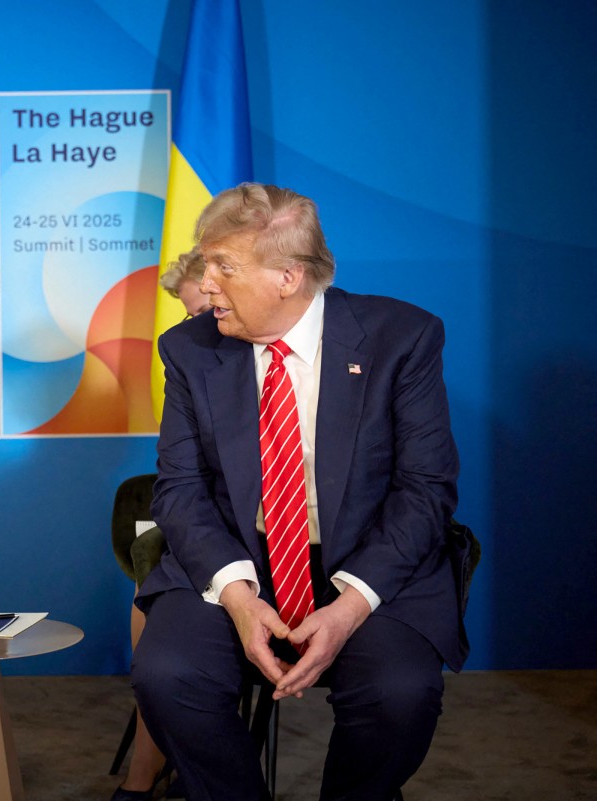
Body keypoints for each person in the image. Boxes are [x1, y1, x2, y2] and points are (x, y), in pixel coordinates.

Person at [132, 183, 467, 801]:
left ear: (288, 276)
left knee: (400, 692)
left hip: (367, 563)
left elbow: (425, 490)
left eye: (223, 267)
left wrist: (350, 606)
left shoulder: (402, 338)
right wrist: (236, 596)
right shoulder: (189, 348)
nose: (205, 284)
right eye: (205, 264)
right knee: (167, 675)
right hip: (240, 560)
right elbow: (179, 489)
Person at [111, 252, 212, 801]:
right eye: (191, 315)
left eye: (206, 312)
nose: (198, 328)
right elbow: (181, 477)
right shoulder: (190, 365)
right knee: (151, 587)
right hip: (203, 528)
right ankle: (149, 767)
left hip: (286, 546)